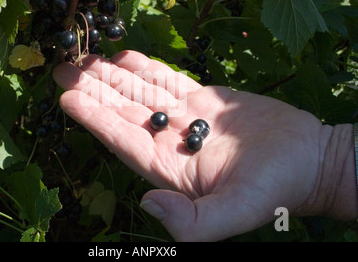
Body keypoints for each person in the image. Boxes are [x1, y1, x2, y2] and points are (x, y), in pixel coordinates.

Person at [53, 50, 358, 242]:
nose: (194, 135)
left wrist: (328, 165)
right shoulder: (192, 133)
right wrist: (329, 160)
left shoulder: (195, 135)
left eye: (194, 134)